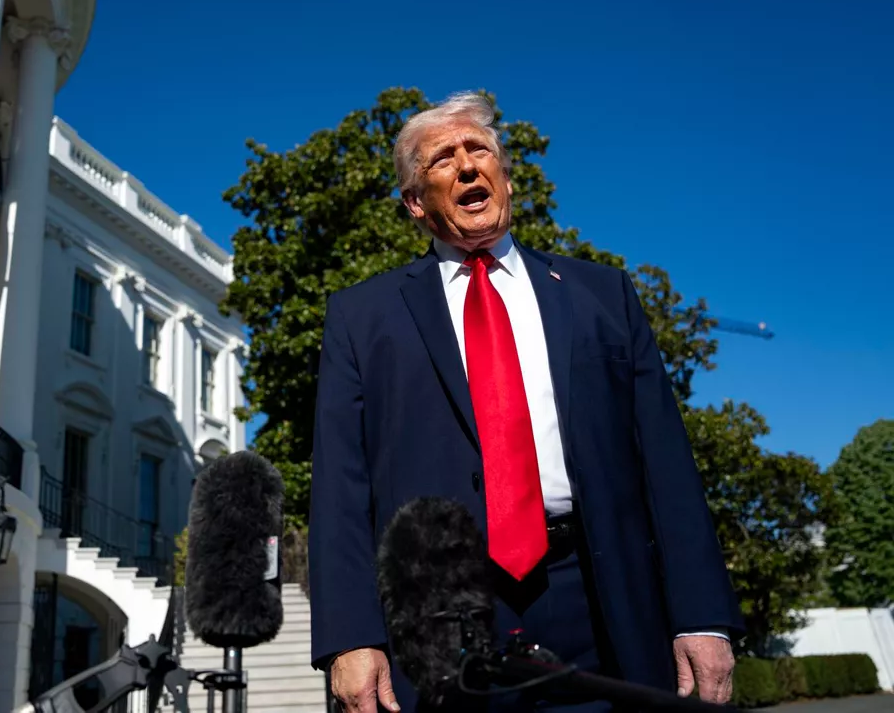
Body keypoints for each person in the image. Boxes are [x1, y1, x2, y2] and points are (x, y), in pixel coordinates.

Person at [309, 93, 741, 713]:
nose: (467, 166)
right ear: (415, 203)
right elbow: (341, 488)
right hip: (434, 620)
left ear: (506, 178)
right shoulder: (362, 317)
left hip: (599, 603)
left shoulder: (603, 295)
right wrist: (350, 636)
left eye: (479, 150)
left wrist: (703, 615)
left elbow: (666, 463)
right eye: (442, 159)